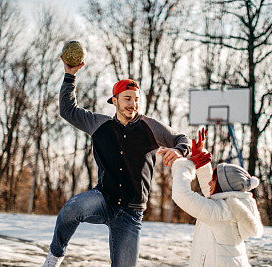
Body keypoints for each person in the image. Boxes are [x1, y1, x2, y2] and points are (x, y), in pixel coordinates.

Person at [43, 57, 191, 267]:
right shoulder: (99, 124)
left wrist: (178, 150)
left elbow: (182, 139)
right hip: (103, 200)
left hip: (131, 213)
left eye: (136, 99)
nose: (133, 104)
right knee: (71, 209)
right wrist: (70, 76)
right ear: (115, 100)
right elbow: (68, 110)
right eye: (127, 98)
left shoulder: (150, 127)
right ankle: (54, 258)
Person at [171, 128, 263, 267]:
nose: (209, 182)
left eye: (213, 180)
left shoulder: (220, 211)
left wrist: (185, 165)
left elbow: (181, 195)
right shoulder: (233, 205)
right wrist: (201, 161)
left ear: (221, 185)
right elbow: (213, 191)